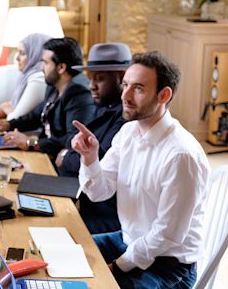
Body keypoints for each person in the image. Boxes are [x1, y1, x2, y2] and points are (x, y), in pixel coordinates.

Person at [72, 51, 210, 289]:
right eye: (125, 85)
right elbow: (99, 192)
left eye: (138, 88)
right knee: (64, 251)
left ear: (164, 95)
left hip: (168, 266)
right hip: (130, 240)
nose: (125, 95)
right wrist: (90, 158)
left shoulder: (181, 155)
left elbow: (166, 236)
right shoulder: (128, 132)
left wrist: (116, 266)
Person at [57, 43, 131, 234]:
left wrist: (66, 158)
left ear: (121, 78)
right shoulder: (101, 105)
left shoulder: (125, 118)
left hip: (102, 213)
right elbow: (71, 138)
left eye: (99, 79)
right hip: (82, 193)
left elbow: (100, 159)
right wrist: (71, 151)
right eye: (90, 79)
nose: (91, 86)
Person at [0, 37, 95, 160]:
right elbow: (36, 115)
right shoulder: (54, 87)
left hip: (59, 162)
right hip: (45, 154)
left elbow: (73, 139)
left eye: (45, 62)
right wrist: (6, 125)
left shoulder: (80, 95)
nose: (41, 68)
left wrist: (30, 143)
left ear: (61, 68)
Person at [0, 33, 50, 120]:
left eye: (22, 53)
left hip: (28, 132)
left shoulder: (38, 79)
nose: (17, 58)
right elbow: (13, 106)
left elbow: (16, 118)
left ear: (36, 55)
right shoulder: (26, 76)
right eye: (17, 52)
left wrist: (9, 109)